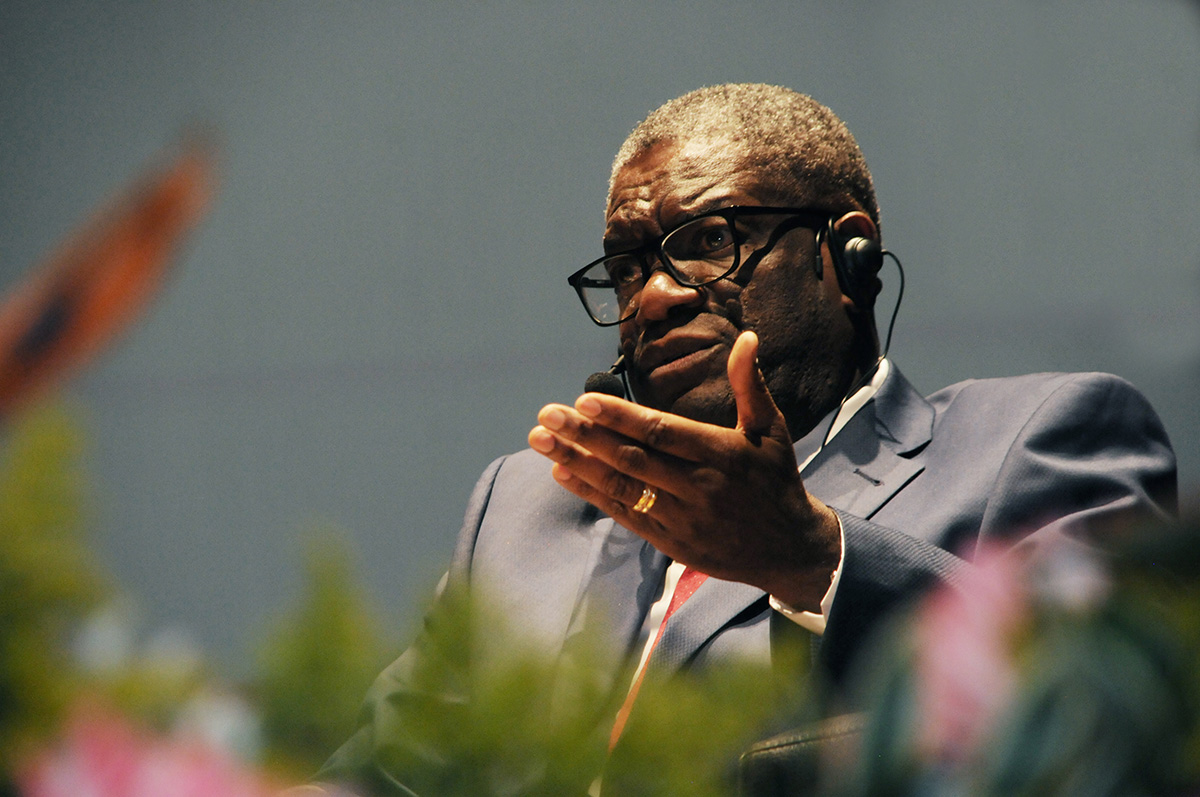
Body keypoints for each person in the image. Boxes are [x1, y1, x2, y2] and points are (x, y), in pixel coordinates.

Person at [314, 84, 1177, 795]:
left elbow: (1114, 718)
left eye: (708, 242)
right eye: (626, 266)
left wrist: (812, 555)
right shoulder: (521, 510)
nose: (650, 297)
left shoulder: (1037, 441)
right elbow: (382, 770)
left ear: (847, 259)